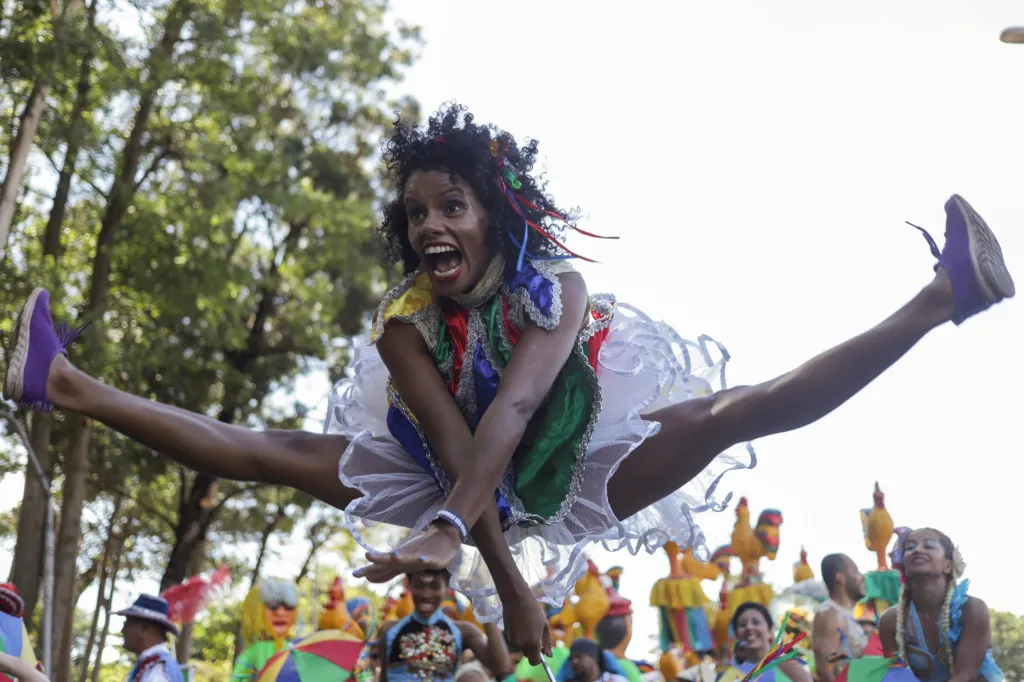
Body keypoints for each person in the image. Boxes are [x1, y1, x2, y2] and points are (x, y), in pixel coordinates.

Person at [3, 103, 1014, 663]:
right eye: (415, 212)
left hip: (568, 453)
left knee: (724, 412)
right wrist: (493, 567)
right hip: (447, 476)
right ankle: (65, 381)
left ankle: (939, 297)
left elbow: (522, 406)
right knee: (272, 453)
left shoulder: (556, 292)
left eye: (452, 204)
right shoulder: (403, 329)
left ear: (493, 214)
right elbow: (453, 450)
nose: (431, 225)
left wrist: (472, 542)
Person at [878, 528, 1003, 682]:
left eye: (929, 546)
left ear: (948, 566)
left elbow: (964, 675)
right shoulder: (890, 621)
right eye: (910, 547)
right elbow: (895, 677)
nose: (917, 550)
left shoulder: (971, 610)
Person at [377, 568, 512, 682]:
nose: (426, 594)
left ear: (446, 588)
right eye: (419, 585)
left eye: (435, 586)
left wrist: (482, 602)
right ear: (409, 585)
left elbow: (501, 667)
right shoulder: (390, 630)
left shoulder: (463, 631)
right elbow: (384, 678)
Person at [812, 554, 868, 682]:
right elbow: (825, 670)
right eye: (856, 571)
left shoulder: (843, 614)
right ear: (840, 577)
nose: (862, 577)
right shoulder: (829, 615)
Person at [730, 603, 812, 682]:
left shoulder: (788, 665)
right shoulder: (733, 675)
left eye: (756, 622)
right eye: (742, 625)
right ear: (737, 635)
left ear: (769, 630)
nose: (749, 627)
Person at [115, 595, 185, 682]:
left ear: (145, 628)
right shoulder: (148, 666)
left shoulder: (159, 670)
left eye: (128, 625)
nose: (123, 630)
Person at [563, 639, 628, 682]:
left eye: (579, 656)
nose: (574, 661)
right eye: (571, 659)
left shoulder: (616, 680)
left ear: (594, 657)